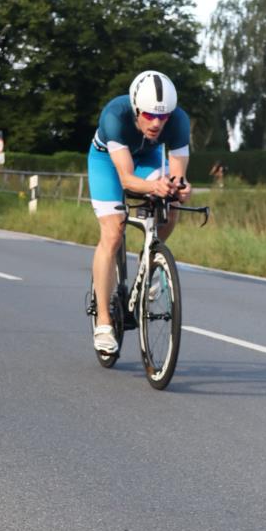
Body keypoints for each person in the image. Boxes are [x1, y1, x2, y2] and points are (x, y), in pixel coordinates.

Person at [88, 71, 192, 354]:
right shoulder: (115, 116)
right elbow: (126, 179)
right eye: (149, 115)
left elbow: (178, 176)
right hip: (108, 163)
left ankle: (151, 258)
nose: (156, 123)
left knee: (172, 203)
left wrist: (180, 187)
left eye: (163, 116)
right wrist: (153, 186)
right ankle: (104, 322)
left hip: (147, 158)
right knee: (113, 232)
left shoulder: (179, 121)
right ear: (136, 109)